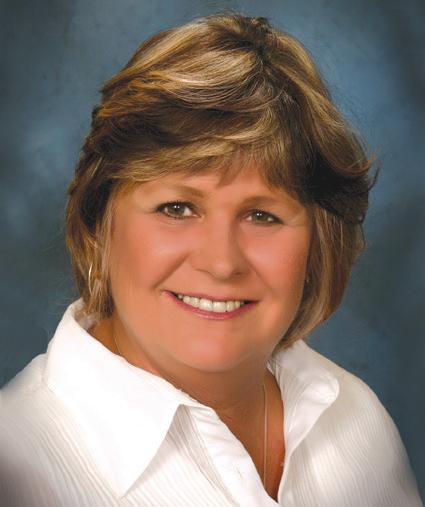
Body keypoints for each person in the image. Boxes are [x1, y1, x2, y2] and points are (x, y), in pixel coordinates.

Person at [0, 12, 422, 507]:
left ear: (319, 243)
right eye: (177, 208)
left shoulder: (355, 418)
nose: (221, 262)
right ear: (99, 223)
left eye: (262, 215)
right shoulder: (16, 462)